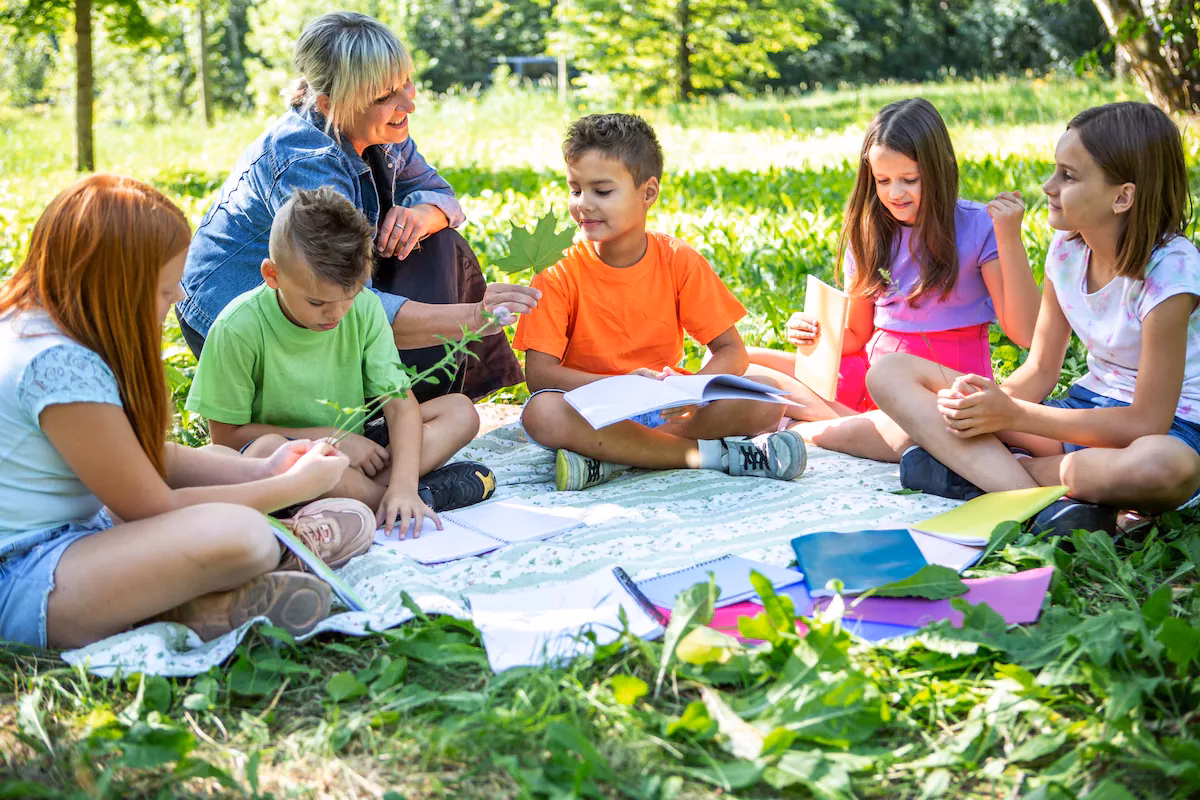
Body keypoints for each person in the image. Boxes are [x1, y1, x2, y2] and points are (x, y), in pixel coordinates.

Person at [0, 174, 378, 649]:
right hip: (27, 577)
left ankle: (197, 607)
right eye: (164, 289)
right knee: (243, 536)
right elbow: (153, 507)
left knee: (225, 463)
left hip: (77, 542)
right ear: (117, 286)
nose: (178, 298)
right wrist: (288, 486)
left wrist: (263, 467)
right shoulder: (58, 367)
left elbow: (148, 457)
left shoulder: (38, 327)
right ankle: (276, 549)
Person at [868, 102, 1200, 535]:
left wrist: (1010, 418)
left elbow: (1146, 422)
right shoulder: (1066, 250)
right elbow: (1042, 369)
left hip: (1170, 431)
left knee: (1167, 467)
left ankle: (985, 474)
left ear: (1122, 196)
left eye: (1069, 175)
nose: (1048, 186)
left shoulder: (1172, 271)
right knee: (889, 371)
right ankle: (1037, 496)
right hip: (1082, 415)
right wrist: (987, 404)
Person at [176, 11, 539, 402]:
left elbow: (441, 195)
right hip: (247, 318)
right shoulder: (307, 164)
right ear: (330, 104)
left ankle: (420, 401)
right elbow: (348, 302)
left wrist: (420, 216)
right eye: (384, 96)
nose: (408, 104)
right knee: (344, 423)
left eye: (406, 83)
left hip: (321, 300)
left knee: (439, 243)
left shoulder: (382, 128)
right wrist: (475, 318)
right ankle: (391, 413)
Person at [514, 113, 806, 491]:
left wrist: (696, 390)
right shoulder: (557, 271)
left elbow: (732, 350)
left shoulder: (677, 259)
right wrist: (619, 383)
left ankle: (613, 460)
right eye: (575, 190)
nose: (583, 204)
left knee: (766, 397)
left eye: (601, 192)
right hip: (592, 408)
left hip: (665, 409)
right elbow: (539, 376)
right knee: (542, 412)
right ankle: (716, 457)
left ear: (648, 192)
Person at [744, 98, 1040, 461]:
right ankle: (848, 425)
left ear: (941, 169)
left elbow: (1024, 333)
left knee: (910, 432)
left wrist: (1009, 238)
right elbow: (856, 337)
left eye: (909, 180)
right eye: (882, 181)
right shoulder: (869, 232)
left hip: (941, 389)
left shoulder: (979, 226)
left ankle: (809, 428)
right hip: (872, 379)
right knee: (741, 362)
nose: (894, 194)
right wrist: (813, 331)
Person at [186, 187, 492, 537]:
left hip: (358, 454)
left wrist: (402, 484)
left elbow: (398, 404)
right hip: (282, 460)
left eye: (348, 296)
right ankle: (402, 499)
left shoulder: (364, 308)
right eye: (317, 303)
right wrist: (331, 439)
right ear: (273, 276)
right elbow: (225, 440)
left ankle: (397, 496)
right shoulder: (237, 327)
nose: (335, 313)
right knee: (271, 450)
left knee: (459, 411)